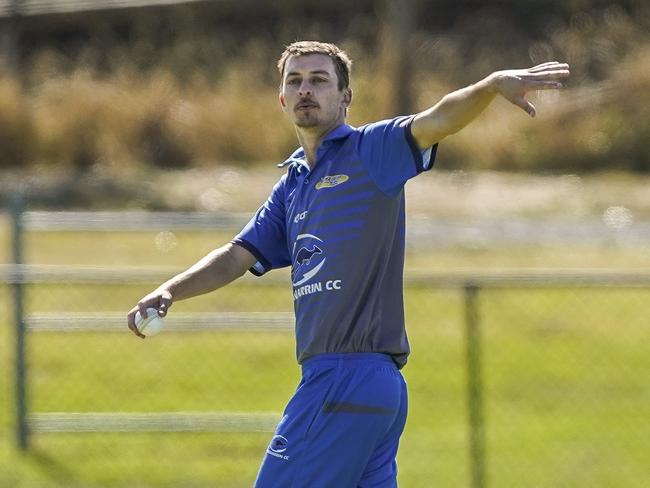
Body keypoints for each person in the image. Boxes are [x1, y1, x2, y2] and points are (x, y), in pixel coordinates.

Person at [127, 41, 569, 487]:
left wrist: (490, 87)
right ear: (282, 99)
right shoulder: (292, 185)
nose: (305, 90)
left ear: (345, 97)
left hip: (345, 377)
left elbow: (437, 120)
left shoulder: (371, 151)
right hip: (372, 389)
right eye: (294, 81)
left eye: (319, 80)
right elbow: (236, 256)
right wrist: (171, 290)